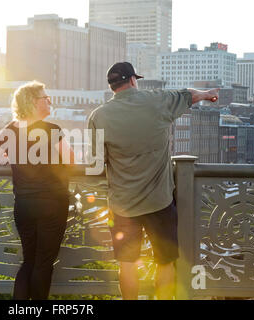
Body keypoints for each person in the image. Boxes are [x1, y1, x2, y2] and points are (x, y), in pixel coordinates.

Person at [87, 62, 219, 300]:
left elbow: (96, 164)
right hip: (159, 202)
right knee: (165, 263)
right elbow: (187, 95)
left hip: (123, 205)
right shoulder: (157, 101)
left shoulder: (98, 116)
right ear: (133, 80)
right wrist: (207, 95)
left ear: (112, 86)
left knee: (126, 264)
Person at [0, 81, 74, 300]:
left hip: (23, 204)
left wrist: (7, 158)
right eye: (46, 98)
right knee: (43, 262)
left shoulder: (11, 130)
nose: (50, 102)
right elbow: (71, 160)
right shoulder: (51, 130)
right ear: (34, 102)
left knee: (29, 261)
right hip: (52, 203)